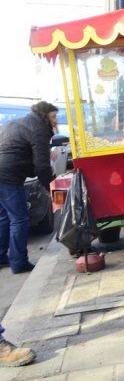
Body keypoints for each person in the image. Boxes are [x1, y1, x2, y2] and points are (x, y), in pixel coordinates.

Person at [0, 101, 58, 275]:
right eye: (53, 117)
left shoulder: (15, 123)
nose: (56, 122)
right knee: (19, 219)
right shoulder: (39, 129)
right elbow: (41, 167)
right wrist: (51, 187)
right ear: (44, 115)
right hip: (8, 177)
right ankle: (19, 263)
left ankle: (1, 257)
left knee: (3, 218)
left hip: (4, 174)